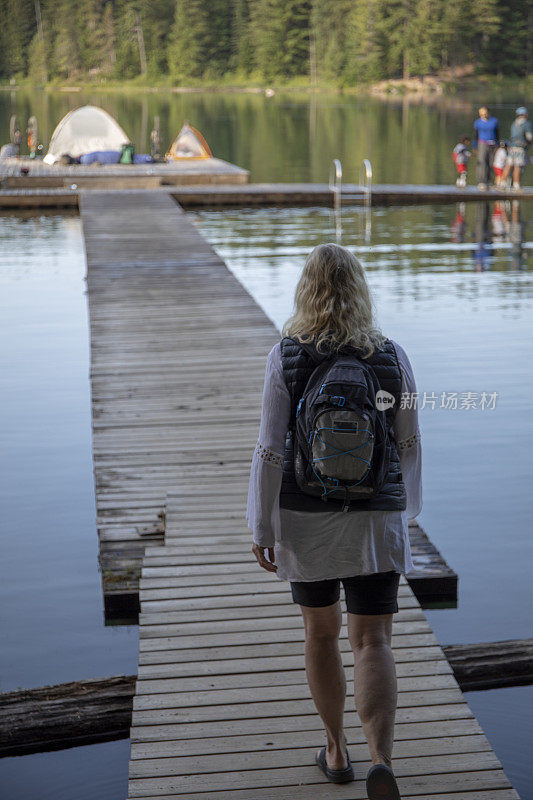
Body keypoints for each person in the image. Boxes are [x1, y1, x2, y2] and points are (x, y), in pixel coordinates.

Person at [247, 243, 422, 799]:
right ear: (360, 291)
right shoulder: (391, 357)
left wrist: (261, 525)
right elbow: (409, 443)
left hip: (306, 514)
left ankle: (336, 750)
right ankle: (382, 759)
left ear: (307, 290)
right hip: (376, 519)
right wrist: (405, 513)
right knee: (374, 640)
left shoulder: (287, 355)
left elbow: (270, 449)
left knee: (319, 635)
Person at [502, 107, 532, 190]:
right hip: (520, 148)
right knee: (517, 166)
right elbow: (529, 137)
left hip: (512, 147)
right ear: (525, 114)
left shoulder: (514, 123)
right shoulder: (526, 123)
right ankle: (516, 184)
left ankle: (503, 183)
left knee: (508, 165)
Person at [473, 106, 499, 189]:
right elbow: (475, 135)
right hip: (482, 143)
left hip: (492, 144)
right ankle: (481, 181)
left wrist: (497, 146)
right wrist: (475, 147)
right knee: (482, 162)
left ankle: (488, 181)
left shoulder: (494, 121)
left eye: (485, 114)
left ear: (488, 113)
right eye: (481, 114)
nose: (483, 116)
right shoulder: (477, 122)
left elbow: (498, 134)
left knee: (491, 163)